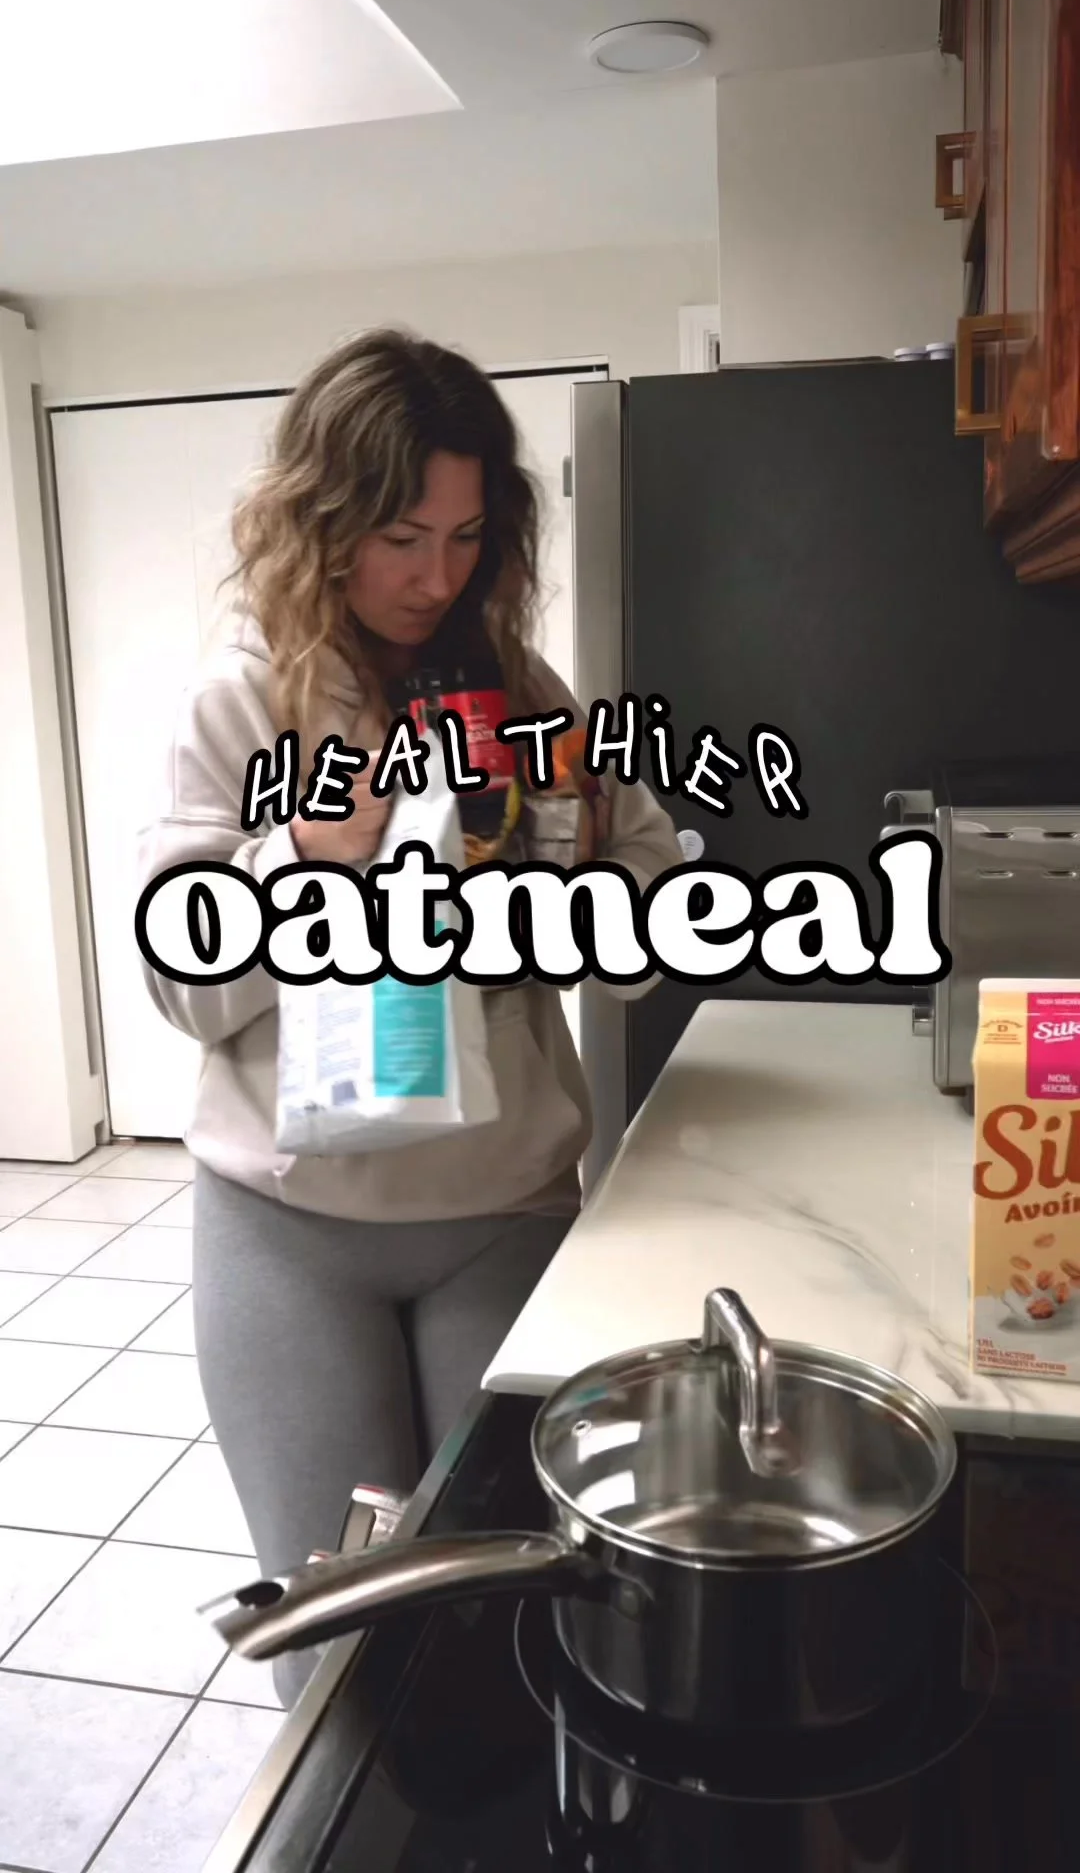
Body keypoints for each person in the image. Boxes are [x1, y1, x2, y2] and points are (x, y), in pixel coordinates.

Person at [137, 329, 681, 1707]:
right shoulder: (241, 705)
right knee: (339, 1647)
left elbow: (637, 954)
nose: (436, 577)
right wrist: (301, 859)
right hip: (289, 1237)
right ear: (320, 521)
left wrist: (593, 864)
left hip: (503, 1217)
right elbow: (186, 990)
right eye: (398, 537)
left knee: (513, 1618)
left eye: (465, 536)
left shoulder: (528, 696)